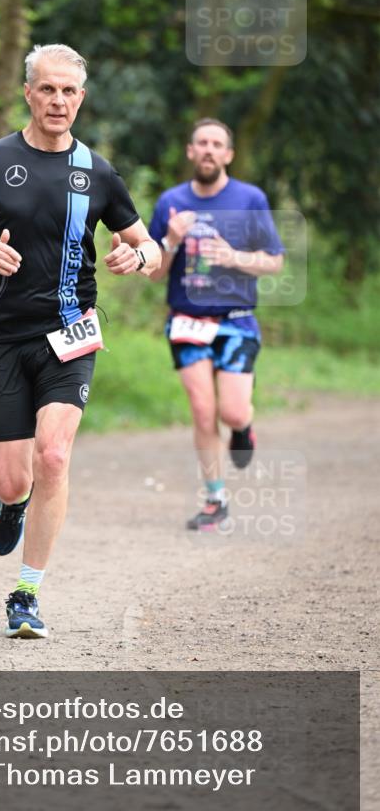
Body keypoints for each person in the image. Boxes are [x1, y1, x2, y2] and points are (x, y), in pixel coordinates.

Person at [0, 43, 160, 637]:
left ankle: (26, 592)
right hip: (3, 335)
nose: (58, 100)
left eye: (69, 91)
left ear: (81, 99)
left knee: (54, 456)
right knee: (13, 479)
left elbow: (150, 246)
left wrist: (136, 258)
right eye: (47, 89)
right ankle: (13, 503)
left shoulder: (97, 172)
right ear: (28, 93)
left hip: (71, 331)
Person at [147, 119, 284, 531]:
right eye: (202, 143)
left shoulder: (250, 199)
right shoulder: (170, 202)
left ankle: (243, 429)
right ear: (190, 151)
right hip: (186, 321)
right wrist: (170, 241)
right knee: (203, 411)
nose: (208, 149)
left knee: (233, 413)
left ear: (228, 154)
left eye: (216, 144)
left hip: (237, 321)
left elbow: (274, 261)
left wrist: (233, 258)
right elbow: (154, 272)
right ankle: (215, 499)